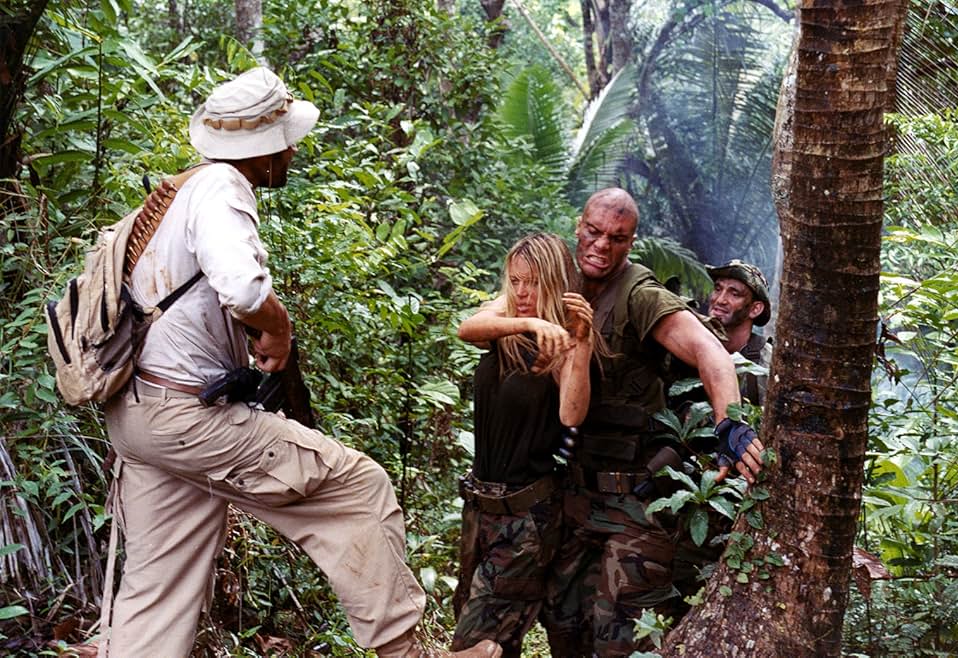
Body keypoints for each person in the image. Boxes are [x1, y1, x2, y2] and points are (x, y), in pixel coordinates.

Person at [102, 67, 499, 658]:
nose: (292, 149)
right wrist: (280, 329)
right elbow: (240, 287)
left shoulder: (179, 193)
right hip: (186, 417)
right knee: (360, 488)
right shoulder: (221, 188)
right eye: (285, 139)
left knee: (159, 588)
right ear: (259, 151)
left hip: (138, 415)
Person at [545, 187, 768, 656]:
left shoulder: (640, 295)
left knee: (621, 643)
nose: (602, 246)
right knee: (565, 632)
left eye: (617, 238)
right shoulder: (560, 282)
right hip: (572, 497)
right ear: (578, 227)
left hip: (634, 508)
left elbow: (712, 353)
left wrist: (731, 425)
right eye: (594, 232)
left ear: (631, 243)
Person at [449, 233, 595, 657]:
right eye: (515, 281)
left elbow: (571, 415)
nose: (522, 292)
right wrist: (529, 322)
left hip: (525, 517)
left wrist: (580, 343)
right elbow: (466, 328)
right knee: (485, 631)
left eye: (532, 282)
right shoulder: (509, 321)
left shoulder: (564, 340)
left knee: (474, 644)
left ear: (553, 280)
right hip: (481, 511)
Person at [706, 259, 773, 406]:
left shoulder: (766, 364)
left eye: (734, 294)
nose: (720, 300)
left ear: (755, 309)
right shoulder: (689, 338)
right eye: (718, 289)